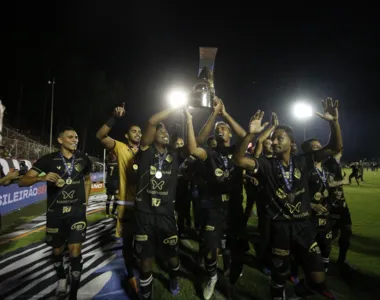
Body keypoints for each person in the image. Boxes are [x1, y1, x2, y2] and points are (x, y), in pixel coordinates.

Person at [234, 97, 342, 300]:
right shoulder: (266, 164)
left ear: (291, 143)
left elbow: (335, 147)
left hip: (303, 227)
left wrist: (334, 122)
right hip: (280, 228)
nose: (273, 141)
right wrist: (251, 134)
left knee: (318, 276)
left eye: (278, 138)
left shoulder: (303, 161)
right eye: (272, 138)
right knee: (280, 275)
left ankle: (299, 292)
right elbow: (239, 160)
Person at [19, 127, 92, 300]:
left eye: (76, 137)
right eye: (70, 137)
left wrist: (85, 203)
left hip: (77, 213)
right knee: (57, 251)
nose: (75, 139)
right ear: (60, 140)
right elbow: (23, 181)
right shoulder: (48, 160)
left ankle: (73, 293)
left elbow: (88, 180)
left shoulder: (83, 159)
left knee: (75, 251)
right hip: (55, 214)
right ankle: (61, 277)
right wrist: (41, 178)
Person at [185, 97, 247, 300]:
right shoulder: (210, 154)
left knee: (235, 248)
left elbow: (244, 135)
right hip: (214, 207)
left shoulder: (237, 152)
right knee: (212, 246)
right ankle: (212, 276)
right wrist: (214, 113)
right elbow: (195, 147)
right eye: (217, 129)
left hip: (235, 207)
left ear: (229, 133)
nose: (220, 131)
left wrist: (225, 114)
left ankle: (231, 276)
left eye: (224, 129)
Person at [133, 105, 184, 299]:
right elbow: (152, 122)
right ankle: (146, 293)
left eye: (166, 132)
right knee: (146, 259)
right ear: (152, 136)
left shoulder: (175, 156)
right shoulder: (145, 151)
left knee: (172, 256)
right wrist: (175, 106)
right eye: (160, 131)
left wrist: (186, 118)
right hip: (144, 213)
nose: (164, 133)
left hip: (166, 214)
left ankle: (173, 277)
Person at [96, 103, 142, 296]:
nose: (138, 133)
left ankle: (143, 270)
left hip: (144, 205)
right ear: (126, 135)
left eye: (140, 131)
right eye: (134, 130)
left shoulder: (147, 149)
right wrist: (114, 118)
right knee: (127, 243)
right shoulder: (121, 147)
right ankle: (131, 275)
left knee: (144, 242)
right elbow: (100, 136)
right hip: (125, 204)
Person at [324, 150, 354, 272]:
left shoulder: (334, 163)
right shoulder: (331, 163)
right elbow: (329, 183)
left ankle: (341, 260)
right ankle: (322, 260)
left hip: (341, 205)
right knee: (331, 235)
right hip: (333, 206)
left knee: (345, 231)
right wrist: (344, 181)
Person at [105, 150, 119, 218]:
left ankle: (111, 212)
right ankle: (109, 212)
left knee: (114, 198)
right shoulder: (115, 163)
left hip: (113, 183)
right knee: (111, 198)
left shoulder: (109, 163)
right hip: (112, 182)